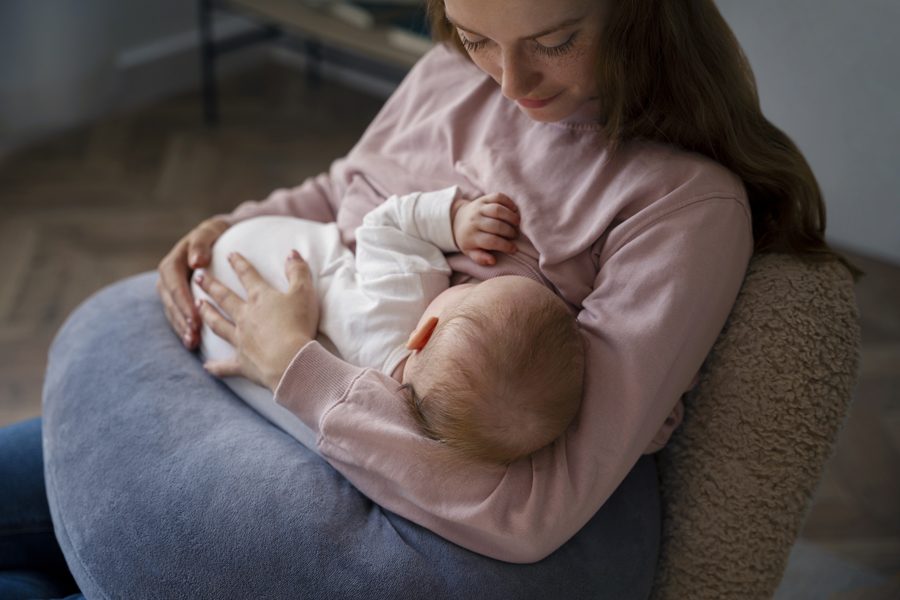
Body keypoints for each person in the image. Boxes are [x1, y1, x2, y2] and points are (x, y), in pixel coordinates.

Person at [1, 0, 857, 594]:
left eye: (555, 38)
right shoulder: (453, 75)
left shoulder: (682, 207)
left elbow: (535, 509)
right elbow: (344, 190)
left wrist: (290, 363)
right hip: (251, 396)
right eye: (478, 35)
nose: (510, 82)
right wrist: (232, 228)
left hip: (349, 445)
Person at [193, 187, 584, 464]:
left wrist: (453, 220)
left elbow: (384, 224)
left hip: (246, 259)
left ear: (424, 331)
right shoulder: (379, 412)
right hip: (230, 348)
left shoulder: (405, 295)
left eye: (475, 289)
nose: (471, 281)